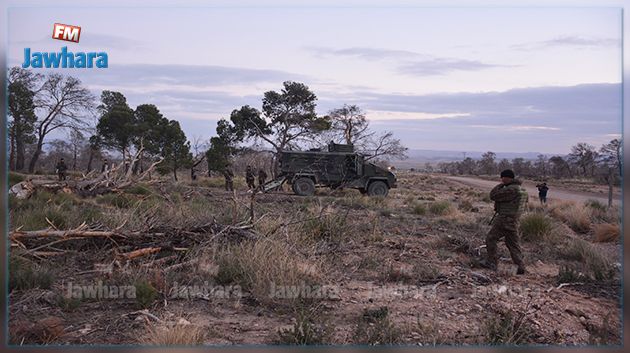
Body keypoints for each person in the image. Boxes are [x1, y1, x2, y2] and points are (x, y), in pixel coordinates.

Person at [480, 169, 529, 275]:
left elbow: (493, 195)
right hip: (514, 220)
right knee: (513, 243)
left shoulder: (511, 189)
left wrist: (500, 185)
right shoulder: (522, 190)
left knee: (491, 238)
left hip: (505, 220)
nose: (501, 179)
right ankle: (520, 266)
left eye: (503, 177)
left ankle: (491, 262)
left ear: (508, 178)